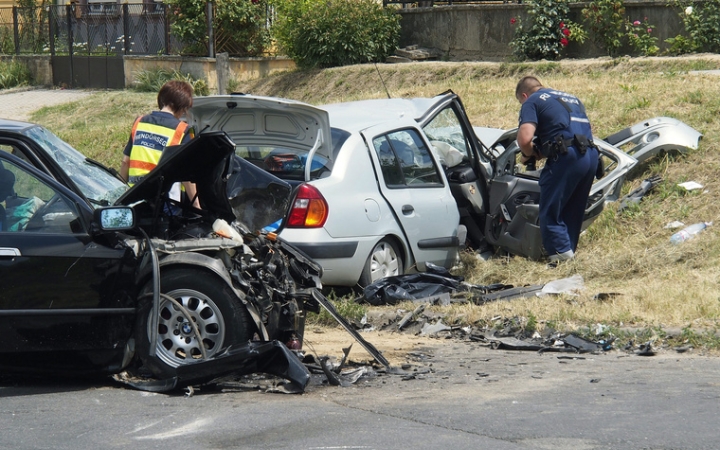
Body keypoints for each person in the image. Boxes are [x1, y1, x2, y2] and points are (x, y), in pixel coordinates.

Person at [515, 75, 599, 263]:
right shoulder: (572, 98)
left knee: (550, 210)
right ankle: (569, 256)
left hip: (567, 158)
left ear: (524, 95)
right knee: (573, 211)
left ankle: (560, 261)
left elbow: (524, 139)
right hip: (591, 155)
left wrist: (529, 153)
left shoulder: (532, 101)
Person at [120, 80, 199, 208]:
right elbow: (186, 174)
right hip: (165, 204)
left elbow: (125, 162)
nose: (184, 113)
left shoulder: (139, 122)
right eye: (185, 109)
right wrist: (196, 205)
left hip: (133, 199)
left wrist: (120, 196)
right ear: (181, 106)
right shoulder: (182, 130)